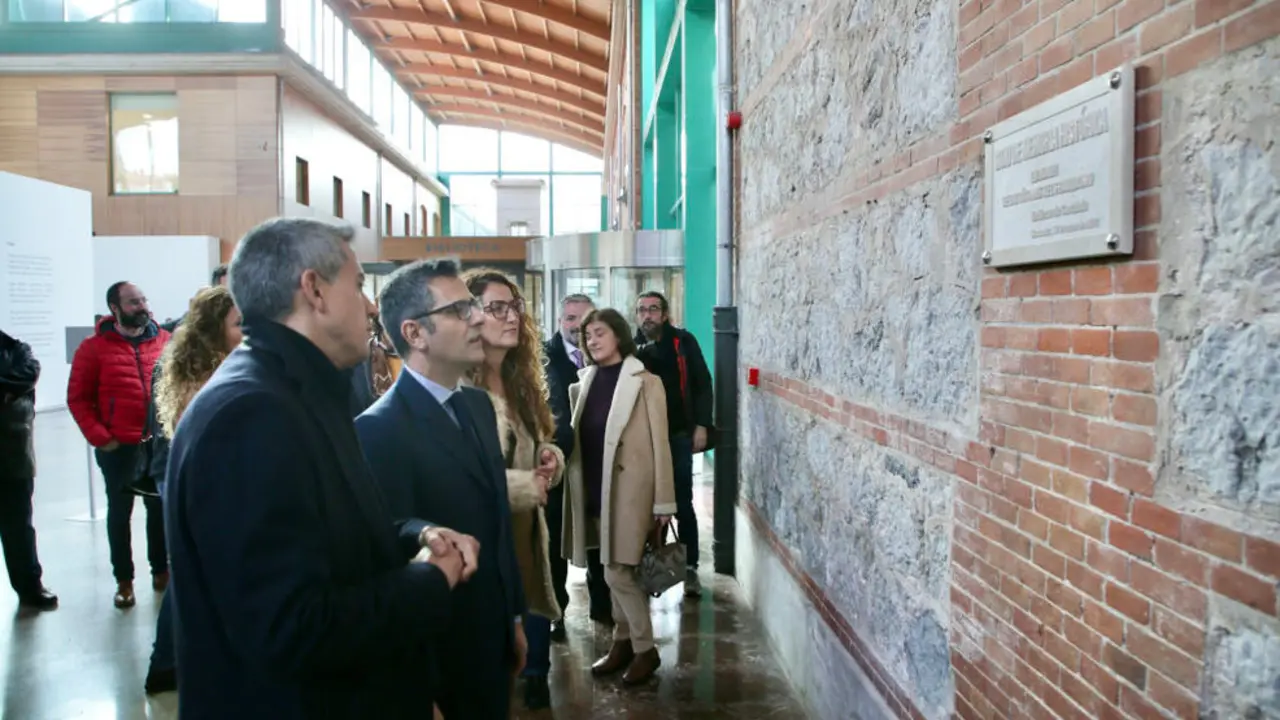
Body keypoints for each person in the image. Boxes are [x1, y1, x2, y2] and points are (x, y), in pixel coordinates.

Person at [164, 218, 475, 718]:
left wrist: (416, 536)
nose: (372, 307)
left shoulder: (297, 390)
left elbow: (329, 537)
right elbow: (291, 627)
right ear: (314, 290)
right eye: (358, 286)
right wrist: (432, 579)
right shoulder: (250, 414)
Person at [356, 258, 528, 720]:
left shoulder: (475, 406)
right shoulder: (379, 429)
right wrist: (410, 687)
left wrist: (513, 616)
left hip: (491, 636)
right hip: (437, 653)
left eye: (473, 305)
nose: (477, 318)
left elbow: (496, 519)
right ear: (414, 333)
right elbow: (388, 556)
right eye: (458, 310)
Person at [463, 268, 565, 710]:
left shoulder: (521, 379)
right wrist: (527, 485)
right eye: (496, 308)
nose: (511, 317)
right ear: (469, 317)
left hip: (525, 533)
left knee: (532, 620)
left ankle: (537, 676)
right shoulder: (461, 386)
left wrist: (550, 459)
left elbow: (543, 441)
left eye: (516, 307)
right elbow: (457, 477)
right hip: (482, 545)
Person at [564, 308, 676, 686]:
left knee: (618, 572)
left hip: (633, 494)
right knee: (611, 572)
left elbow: (661, 445)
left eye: (599, 333)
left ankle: (645, 649)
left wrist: (664, 502)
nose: (592, 341)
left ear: (618, 336)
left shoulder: (645, 382)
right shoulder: (584, 382)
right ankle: (622, 643)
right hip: (595, 489)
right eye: (587, 336)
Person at [142, 286, 242, 695]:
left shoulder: (223, 367)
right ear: (213, 329)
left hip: (203, 480)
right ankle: (166, 663)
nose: (248, 332)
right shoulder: (201, 377)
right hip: (189, 480)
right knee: (191, 571)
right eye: (239, 324)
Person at [67, 281, 170, 608]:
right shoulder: (92, 348)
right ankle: (124, 581)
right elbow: (78, 399)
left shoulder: (164, 341)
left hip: (156, 445)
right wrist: (101, 438)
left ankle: (161, 571)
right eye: (132, 302)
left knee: (158, 510)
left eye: (143, 299)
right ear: (115, 308)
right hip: (118, 448)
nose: (141, 306)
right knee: (119, 514)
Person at [634, 290, 713, 597]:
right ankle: (649, 568)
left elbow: (703, 383)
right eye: (642, 310)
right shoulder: (632, 346)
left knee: (681, 503)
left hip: (678, 435)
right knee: (644, 505)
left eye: (653, 309)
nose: (647, 315)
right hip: (643, 440)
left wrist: (702, 425)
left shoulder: (683, 343)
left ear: (665, 314)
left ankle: (689, 569)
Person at [542, 293, 611, 631]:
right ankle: (555, 611)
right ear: (560, 322)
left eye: (583, 319)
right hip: (558, 464)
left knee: (599, 535)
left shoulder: (607, 357)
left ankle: (602, 605)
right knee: (555, 540)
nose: (576, 326)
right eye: (570, 318)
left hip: (599, 464)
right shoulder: (541, 357)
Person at [0, 330, 56, 610]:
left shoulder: (16, 349)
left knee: (18, 525)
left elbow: (28, 374)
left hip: (11, 454)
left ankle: (29, 587)